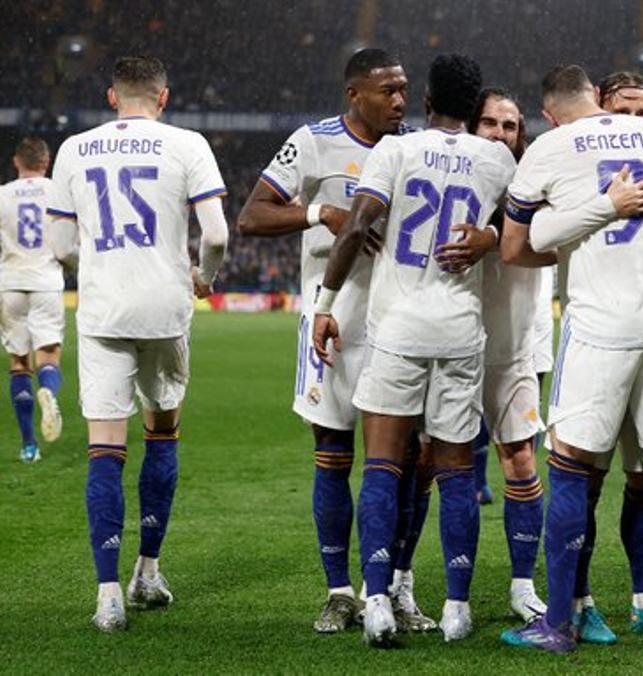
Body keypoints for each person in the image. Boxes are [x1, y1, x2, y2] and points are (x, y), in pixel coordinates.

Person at [497, 64, 643, 652]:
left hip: (599, 328)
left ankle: (559, 623)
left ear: (549, 112)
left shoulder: (549, 147)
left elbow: (522, 245)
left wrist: (598, 211)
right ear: (600, 99)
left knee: (569, 468)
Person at [312, 53, 515, 647]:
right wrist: (493, 235)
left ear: (425, 102)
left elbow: (356, 227)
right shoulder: (496, 157)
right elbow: (531, 223)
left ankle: (375, 601)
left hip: (399, 330)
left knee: (381, 464)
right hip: (459, 332)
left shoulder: (395, 151)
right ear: (478, 109)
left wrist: (325, 306)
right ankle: (456, 608)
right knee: (455, 472)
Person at [236, 48, 434, 634]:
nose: (399, 101)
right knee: (333, 456)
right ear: (355, 94)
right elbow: (251, 216)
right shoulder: (314, 141)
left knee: (407, 460)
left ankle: (398, 585)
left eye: (404, 89)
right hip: (333, 325)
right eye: (386, 91)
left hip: (401, 326)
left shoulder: (417, 146)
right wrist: (321, 211)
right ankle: (340, 591)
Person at [46, 56, 229, 632]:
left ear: (111, 97)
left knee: (105, 450)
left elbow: (58, 241)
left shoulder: (75, 147)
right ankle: (148, 570)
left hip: (103, 310)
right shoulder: (187, 143)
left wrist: (95, 264)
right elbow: (218, 233)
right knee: (162, 433)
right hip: (165, 309)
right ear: (163, 97)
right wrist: (206, 277)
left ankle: (107, 595)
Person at [459, 86, 550, 622]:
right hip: (453, 350)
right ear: (472, 128)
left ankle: (521, 586)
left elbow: (536, 234)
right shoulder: (452, 179)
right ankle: (407, 584)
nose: (499, 133)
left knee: (520, 463)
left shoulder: (534, 184)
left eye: (509, 126)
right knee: (428, 466)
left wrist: (490, 236)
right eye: (489, 124)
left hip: (513, 353)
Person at [0, 137, 64, 462]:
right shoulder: (57, 191)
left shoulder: (2, 195)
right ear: (46, 161)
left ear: (16, 162)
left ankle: (28, 446)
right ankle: (48, 392)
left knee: (19, 363)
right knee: (49, 356)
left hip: (10, 283)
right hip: (46, 280)